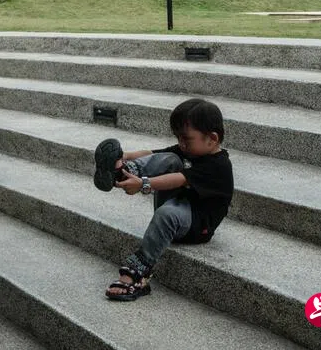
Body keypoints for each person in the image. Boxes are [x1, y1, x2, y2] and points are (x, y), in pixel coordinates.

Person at [93, 98, 234, 301]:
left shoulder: (219, 166)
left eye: (186, 138)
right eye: (178, 138)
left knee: (166, 214)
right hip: (177, 205)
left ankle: (138, 273)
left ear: (212, 138)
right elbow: (153, 154)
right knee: (170, 158)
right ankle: (123, 171)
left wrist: (143, 184)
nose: (181, 143)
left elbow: (179, 179)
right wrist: (125, 157)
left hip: (195, 226)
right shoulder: (188, 148)